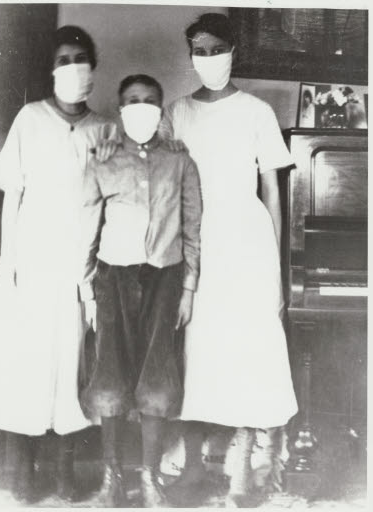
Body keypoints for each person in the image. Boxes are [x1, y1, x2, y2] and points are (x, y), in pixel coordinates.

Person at [0, 26, 118, 503]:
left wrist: (96, 272)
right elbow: (12, 193)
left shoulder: (106, 130)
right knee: (26, 359)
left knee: (73, 360)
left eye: (80, 58)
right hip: (31, 258)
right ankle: (20, 465)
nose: (73, 67)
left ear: (92, 67)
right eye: (63, 60)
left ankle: (66, 466)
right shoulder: (30, 119)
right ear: (52, 71)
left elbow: (113, 203)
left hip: (81, 264)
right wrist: (10, 260)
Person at [159, 13, 298, 506]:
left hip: (246, 237)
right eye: (199, 49)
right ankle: (193, 469)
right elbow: (168, 185)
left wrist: (277, 271)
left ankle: (244, 471)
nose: (208, 58)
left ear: (234, 49)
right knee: (195, 346)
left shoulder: (257, 111)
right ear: (189, 54)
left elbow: (272, 193)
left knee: (246, 344)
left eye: (217, 48)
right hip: (196, 238)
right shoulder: (176, 112)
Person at [79, 74, 202, 507]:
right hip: (113, 276)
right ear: (119, 108)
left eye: (151, 101)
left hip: (164, 277)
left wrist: (188, 287)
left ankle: (150, 479)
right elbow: (87, 229)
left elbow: (192, 230)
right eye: (132, 100)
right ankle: (111, 480)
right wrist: (87, 290)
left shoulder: (180, 161)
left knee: (157, 373)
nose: (142, 107)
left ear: (162, 108)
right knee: (109, 371)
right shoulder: (103, 159)